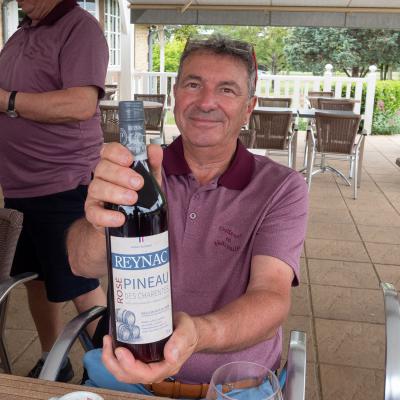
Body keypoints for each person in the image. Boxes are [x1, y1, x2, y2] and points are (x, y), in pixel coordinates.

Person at [67, 35, 308, 397]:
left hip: (232, 388)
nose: (206, 102)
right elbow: (80, 264)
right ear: (176, 95)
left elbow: (271, 296)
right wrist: (102, 220)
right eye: (194, 84)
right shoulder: (133, 174)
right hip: (125, 380)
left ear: (249, 108)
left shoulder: (280, 187)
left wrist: (196, 334)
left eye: (227, 89)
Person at [0, 0, 108, 381]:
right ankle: (54, 362)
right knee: (36, 279)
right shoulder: (22, 32)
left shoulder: (80, 28)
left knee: (81, 284)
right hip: (21, 187)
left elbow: (81, 104)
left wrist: (8, 101)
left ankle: (115, 374)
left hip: (63, 183)